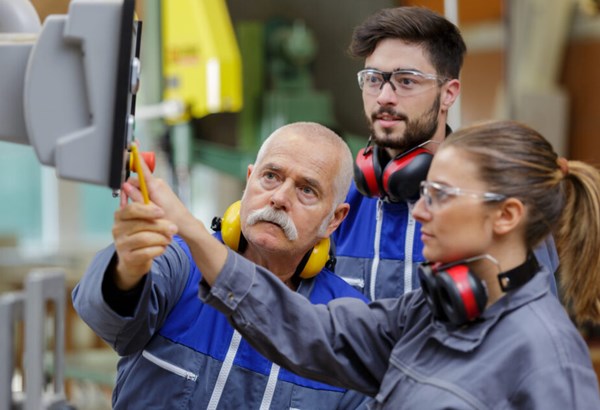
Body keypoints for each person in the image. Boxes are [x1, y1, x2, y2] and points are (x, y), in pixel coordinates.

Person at [168, 120, 600, 408]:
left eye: (442, 196)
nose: (419, 212)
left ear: (506, 215)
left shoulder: (551, 362)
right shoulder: (426, 313)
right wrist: (190, 232)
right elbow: (309, 330)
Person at [72, 122, 370, 409]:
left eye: (307, 190)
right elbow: (103, 316)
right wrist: (128, 269)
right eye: (270, 177)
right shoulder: (180, 261)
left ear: (334, 219)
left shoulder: (347, 325)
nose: (279, 198)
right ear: (249, 180)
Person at [331, 6, 559, 299]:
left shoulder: (498, 209)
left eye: (406, 80)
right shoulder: (341, 204)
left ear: (448, 93)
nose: (385, 97)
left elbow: (530, 330)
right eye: (374, 79)